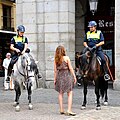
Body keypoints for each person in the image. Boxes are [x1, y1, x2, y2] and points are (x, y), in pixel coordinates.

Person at [54, 45, 77, 116]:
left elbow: (55, 71)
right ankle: (69, 110)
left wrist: (55, 79)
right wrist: (74, 76)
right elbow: (70, 68)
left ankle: (61, 109)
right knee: (69, 93)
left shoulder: (56, 59)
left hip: (59, 77)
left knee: (60, 93)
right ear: (63, 51)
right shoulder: (66, 58)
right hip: (67, 76)